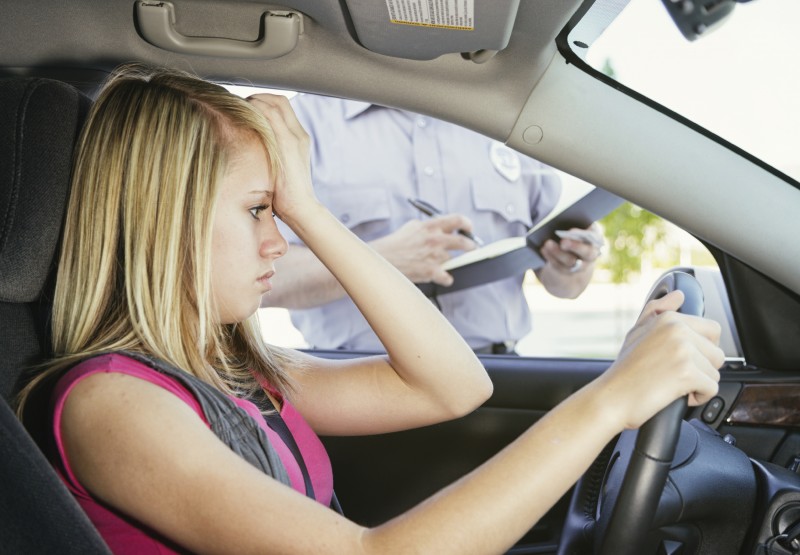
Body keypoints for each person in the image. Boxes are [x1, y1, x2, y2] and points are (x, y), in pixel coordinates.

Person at [16, 64, 723, 554]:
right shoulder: (114, 404)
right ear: (161, 219)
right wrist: (610, 400)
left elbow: (456, 385)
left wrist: (309, 207)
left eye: (280, 209)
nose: (278, 240)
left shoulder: (230, 372)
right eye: (260, 209)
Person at [261, 95, 604, 353]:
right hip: (356, 388)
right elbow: (264, 281)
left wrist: (572, 264)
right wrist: (380, 261)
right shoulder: (299, 123)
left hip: (500, 379)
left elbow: (565, 287)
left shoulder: (511, 122)